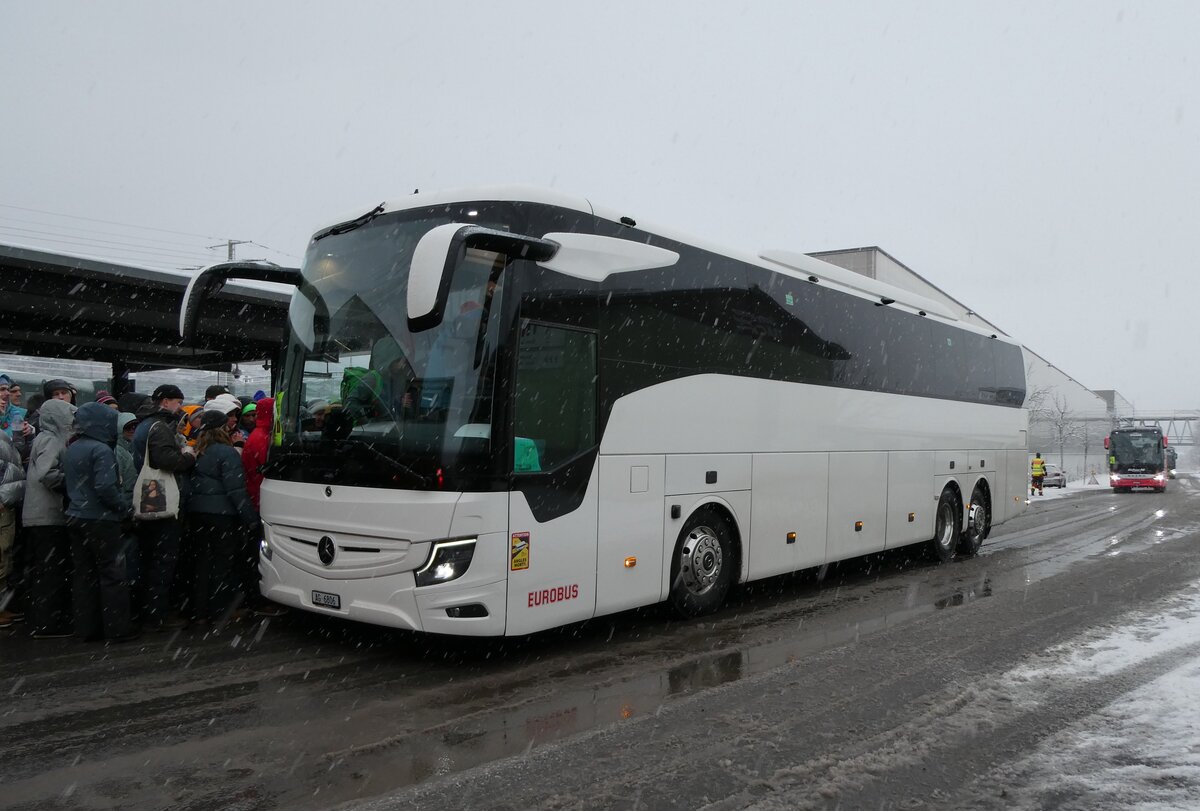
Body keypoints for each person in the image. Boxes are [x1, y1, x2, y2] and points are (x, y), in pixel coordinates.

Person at [64, 402, 136, 642]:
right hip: (101, 519)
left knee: (83, 574)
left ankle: (87, 628)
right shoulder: (102, 450)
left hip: (76, 515)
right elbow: (105, 487)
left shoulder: (73, 447)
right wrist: (123, 507)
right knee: (112, 574)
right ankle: (117, 629)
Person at [131, 384, 195, 630]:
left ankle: (146, 609)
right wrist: (188, 455)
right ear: (165, 402)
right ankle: (156, 613)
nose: (181, 407)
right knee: (163, 558)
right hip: (162, 495)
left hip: (149, 494)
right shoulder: (159, 427)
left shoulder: (143, 425)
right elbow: (166, 460)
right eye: (178, 402)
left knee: (149, 555)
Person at [188, 409, 258, 624]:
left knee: (201, 563)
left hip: (197, 513)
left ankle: (199, 610)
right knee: (223, 563)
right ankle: (219, 609)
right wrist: (250, 518)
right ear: (222, 428)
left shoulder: (197, 450)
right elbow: (235, 489)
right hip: (222, 515)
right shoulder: (226, 453)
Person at [21, 398, 76, 638]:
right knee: (51, 570)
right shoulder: (52, 439)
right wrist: (73, 481)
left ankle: (40, 620)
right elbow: (47, 473)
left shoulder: (42, 438)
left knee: (43, 569)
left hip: (38, 514)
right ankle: (47, 624)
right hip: (47, 514)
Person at [0, 429, 26, 628]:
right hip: (4, 504)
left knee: (5, 555)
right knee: (2, 556)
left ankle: (2, 606)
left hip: (7, 503)